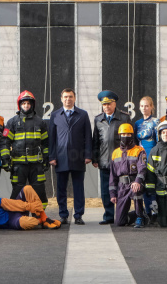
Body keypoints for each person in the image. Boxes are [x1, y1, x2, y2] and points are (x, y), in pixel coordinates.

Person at [48, 88, 92, 225]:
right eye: (65, 97)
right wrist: (52, 156)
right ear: (61, 99)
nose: (68, 99)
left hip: (78, 157)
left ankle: (78, 215)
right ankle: (63, 214)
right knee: (61, 188)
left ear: (75, 98)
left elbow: (88, 137)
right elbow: (52, 138)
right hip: (60, 158)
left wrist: (88, 155)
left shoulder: (83, 115)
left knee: (78, 188)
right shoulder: (55, 115)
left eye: (71, 97)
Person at [2, 90, 50, 212]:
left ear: (32, 104)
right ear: (20, 105)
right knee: (18, 191)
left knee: (39, 191)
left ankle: (39, 215)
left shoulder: (40, 122)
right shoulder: (12, 122)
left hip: (36, 165)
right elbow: (5, 142)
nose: (26, 106)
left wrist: (46, 159)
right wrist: (5, 159)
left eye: (28, 103)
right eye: (24, 103)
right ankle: (17, 216)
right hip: (18, 165)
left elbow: (46, 143)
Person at [92, 90, 133, 225]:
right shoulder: (98, 119)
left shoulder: (124, 118)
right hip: (104, 160)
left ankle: (121, 215)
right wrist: (95, 158)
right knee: (106, 190)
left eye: (109, 104)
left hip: (121, 161)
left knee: (121, 189)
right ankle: (108, 215)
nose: (107, 107)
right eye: (104, 105)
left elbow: (132, 140)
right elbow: (96, 140)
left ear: (115, 104)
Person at [109, 124, 147, 227]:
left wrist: (138, 181)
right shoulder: (115, 153)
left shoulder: (139, 150)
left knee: (136, 189)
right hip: (122, 186)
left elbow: (142, 168)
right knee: (120, 222)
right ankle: (136, 215)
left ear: (132, 135)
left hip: (135, 182)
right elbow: (113, 176)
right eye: (123, 134)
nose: (125, 136)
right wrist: (113, 194)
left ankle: (140, 216)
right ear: (119, 136)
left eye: (128, 134)